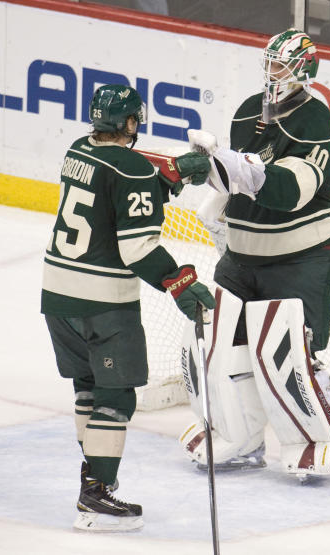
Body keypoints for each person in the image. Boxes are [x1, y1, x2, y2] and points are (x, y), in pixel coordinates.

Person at [41, 84, 215, 531]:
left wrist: (168, 179)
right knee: (115, 395)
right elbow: (137, 246)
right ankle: (96, 494)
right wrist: (178, 282)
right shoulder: (134, 166)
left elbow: (113, 197)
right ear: (131, 123)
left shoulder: (77, 150)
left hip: (58, 295)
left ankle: (91, 475)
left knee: (88, 386)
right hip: (103, 303)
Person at [180, 29, 330, 480]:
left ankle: (317, 441)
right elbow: (239, 180)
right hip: (242, 256)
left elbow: (289, 189)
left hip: (300, 256)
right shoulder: (245, 112)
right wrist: (212, 168)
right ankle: (234, 436)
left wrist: (233, 166)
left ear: (304, 69)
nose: (271, 74)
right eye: (269, 64)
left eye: (281, 66)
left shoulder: (315, 117)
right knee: (212, 342)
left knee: (290, 353)